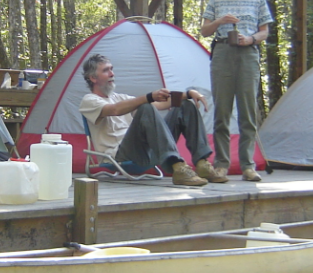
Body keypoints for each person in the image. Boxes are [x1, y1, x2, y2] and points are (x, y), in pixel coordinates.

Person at [79, 54, 228, 187]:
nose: (112, 74)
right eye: (106, 70)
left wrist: (187, 94)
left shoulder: (120, 97)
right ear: (93, 78)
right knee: (145, 107)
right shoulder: (89, 100)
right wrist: (149, 97)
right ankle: (178, 167)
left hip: (146, 149)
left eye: (112, 69)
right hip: (120, 154)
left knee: (184, 106)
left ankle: (202, 163)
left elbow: (159, 104)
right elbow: (114, 110)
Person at [200, 0, 274, 182]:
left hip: (248, 54)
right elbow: (204, 31)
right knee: (222, 110)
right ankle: (221, 164)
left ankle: (247, 166)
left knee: (247, 111)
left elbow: (264, 31)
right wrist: (220, 21)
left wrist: (250, 39)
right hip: (222, 53)